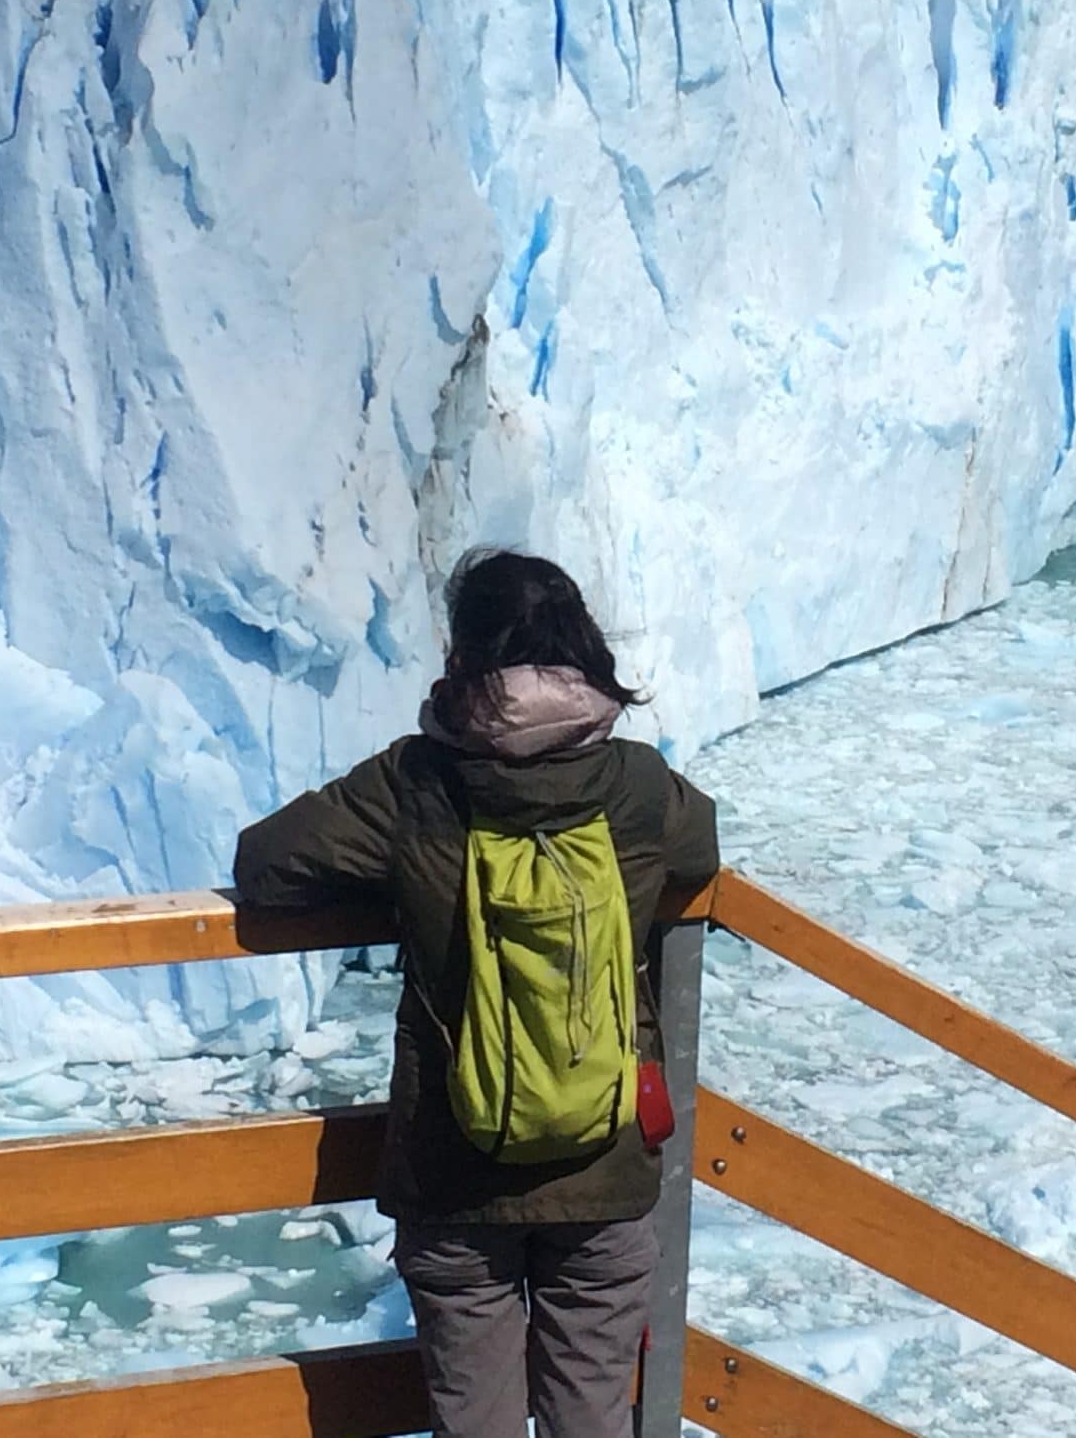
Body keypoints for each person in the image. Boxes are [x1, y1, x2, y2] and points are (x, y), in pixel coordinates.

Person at [234, 549, 720, 1438]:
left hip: (454, 1180)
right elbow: (702, 849)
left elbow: (267, 860)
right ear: (582, 649)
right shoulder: (637, 788)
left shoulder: (414, 785)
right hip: (605, 1173)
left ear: (463, 657)